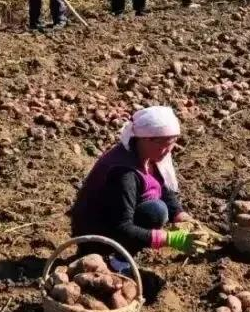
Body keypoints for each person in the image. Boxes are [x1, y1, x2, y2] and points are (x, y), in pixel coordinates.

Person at [71, 106, 203, 264]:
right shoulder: (124, 173)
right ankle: (118, 262)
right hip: (98, 235)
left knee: (160, 207)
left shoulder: (148, 155)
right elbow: (121, 227)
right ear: (145, 139)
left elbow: (162, 188)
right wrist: (169, 239)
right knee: (155, 211)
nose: (168, 151)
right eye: (164, 144)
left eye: (173, 143)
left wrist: (181, 216)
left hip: (115, 220)